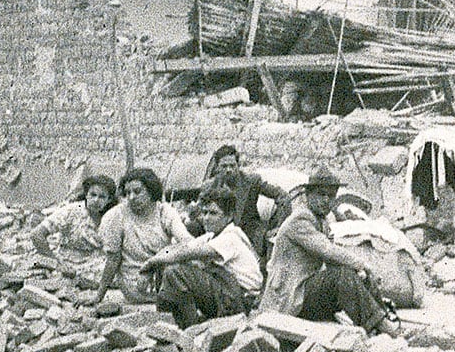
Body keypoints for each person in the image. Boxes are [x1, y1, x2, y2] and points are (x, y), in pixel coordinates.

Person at [259, 166, 397, 336]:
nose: (326, 200)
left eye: (331, 196)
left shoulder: (321, 221)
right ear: (308, 195)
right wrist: (363, 265)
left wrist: (360, 272)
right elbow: (327, 250)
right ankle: (383, 326)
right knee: (342, 275)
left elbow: (332, 260)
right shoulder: (300, 219)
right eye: (321, 194)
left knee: (352, 273)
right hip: (288, 300)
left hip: (302, 294)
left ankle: (383, 321)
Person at [142, 187, 261, 328]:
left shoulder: (231, 237)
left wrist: (151, 262)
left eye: (213, 213)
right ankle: (167, 325)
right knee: (168, 268)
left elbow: (187, 253)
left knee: (176, 272)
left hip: (240, 300)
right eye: (204, 212)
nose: (206, 218)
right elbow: (178, 248)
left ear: (228, 216)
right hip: (226, 294)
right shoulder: (212, 236)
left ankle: (188, 330)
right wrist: (153, 264)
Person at [95, 167, 193, 305]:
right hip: (136, 281)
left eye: (137, 191)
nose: (131, 197)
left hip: (161, 270)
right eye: (128, 192)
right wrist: (99, 296)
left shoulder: (164, 212)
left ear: (151, 191)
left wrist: (157, 260)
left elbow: (187, 241)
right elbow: (113, 259)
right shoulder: (116, 215)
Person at [197, 144, 289, 261]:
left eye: (232, 166)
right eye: (224, 166)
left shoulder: (251, 181)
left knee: (256, 251)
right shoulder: (209, 186)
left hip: (248, 229)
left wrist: (279, 226)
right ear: (217, 168)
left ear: (238, 165)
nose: (229, 170)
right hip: (219, 230)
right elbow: (199, 210)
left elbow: (283, 196)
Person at [30, 174, 116, 258]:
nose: (96, 200)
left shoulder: (112, 216)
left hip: (97, 265)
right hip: (68, 262)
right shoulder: (71, 210)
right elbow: (37, 234)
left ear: (109, 199)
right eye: (93, 195)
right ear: (86, 195)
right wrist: (55, 262)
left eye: (102, 197)